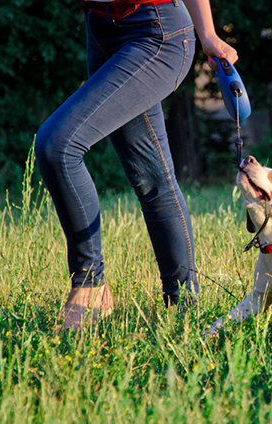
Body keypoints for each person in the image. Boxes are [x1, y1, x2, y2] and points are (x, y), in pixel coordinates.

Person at [34, 0, 237, 330]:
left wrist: (209, 34)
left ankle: (89, 285)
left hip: (157, 31)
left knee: (57, 145)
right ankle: (183, 311)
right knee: (152, 178)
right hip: (101, 29)